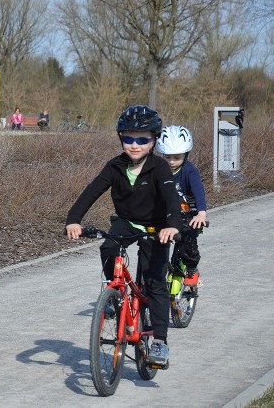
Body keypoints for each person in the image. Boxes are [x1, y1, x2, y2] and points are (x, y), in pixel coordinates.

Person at [65, 105, 181, 366]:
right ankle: (113, 290)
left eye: (143, 139)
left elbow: (171, 198)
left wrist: (172, 225)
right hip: (127, 223)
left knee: (155, 282)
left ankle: (160, 341)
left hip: (156, 228)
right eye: (129, 138)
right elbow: (91, 191)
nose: (135, 145)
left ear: (154, 140)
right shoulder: (115, 166)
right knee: (107, 246)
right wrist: (74, 219)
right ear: (121, 139)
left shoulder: (160, 168)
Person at [156, 125, 207, 284]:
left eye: (177, 157)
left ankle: (192, 268)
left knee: (187, 242)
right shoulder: (157, 170)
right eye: (168, 157)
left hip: (187, 213)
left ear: (186, 154)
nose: (171, 162)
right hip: (164, 213)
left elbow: (199, 192)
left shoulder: (189, 171)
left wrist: (201, 213)